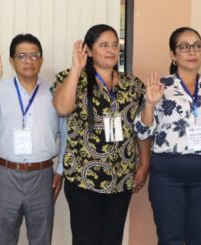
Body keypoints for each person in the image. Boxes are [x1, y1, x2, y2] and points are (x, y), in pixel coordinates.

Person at [134, 27, 201, 245]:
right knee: (170, 239)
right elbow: (142, 132)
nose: (192, 51)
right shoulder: (159, 86)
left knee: (200, 238)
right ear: (173, 55)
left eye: (197, 46)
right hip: (167, 174)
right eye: (184, 47)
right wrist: (150, 104)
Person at [52, 24, 151, 245]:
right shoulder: (69, 77)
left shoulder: (132, 84)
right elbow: (62, 108)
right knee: (86, 239)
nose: (111, 50)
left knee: (112, 239)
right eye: (104, 45)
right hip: (83, 176)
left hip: (122, 175)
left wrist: (145, 164)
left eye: (115, 45)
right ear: (89, 50)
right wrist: (77, 69)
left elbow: (142, 129)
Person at [0, 34, 65, 245]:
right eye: (22, 55)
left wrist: (60, 170)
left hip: (43, 175)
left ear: (42, 59)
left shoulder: (55, 91)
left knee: (41, 238)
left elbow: (65, 134)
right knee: (4, 237)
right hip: (6, 174)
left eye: (35, 55)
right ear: (11, 61)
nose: (29, 60)